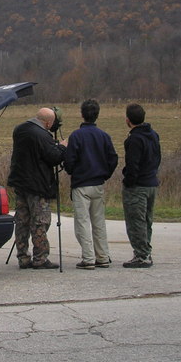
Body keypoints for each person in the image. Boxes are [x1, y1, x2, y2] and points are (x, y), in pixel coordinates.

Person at [7, 107, 67, 269]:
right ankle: (40, 258)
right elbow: (53, 157)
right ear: (48, 123)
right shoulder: (41, 135)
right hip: (37, 185)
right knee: (40, 221)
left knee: (22, 221)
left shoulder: (20, 130)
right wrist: (61, 147)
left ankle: (23, 257)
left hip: (20, 182)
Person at [63, 99, 118, 270]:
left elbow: (69, 160)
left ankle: (88, 258)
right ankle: (102, 256)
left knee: (82, 222)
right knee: (98, 222)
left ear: (82, 114)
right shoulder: (104, 136)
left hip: (81, 184)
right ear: (97, 115)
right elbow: (113, 158)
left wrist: (71, 170)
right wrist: (105, 174)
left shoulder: (76, 136)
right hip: (98, 183)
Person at [121, 103, 161, 268]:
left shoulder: (134, 139)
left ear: (128, 120)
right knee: (146, 220)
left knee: (136, 221)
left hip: (138, 186)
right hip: (151, 182)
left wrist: (128, 182)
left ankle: (141, 255)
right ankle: (146, 251)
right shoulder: (153, 135)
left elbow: (133, 165)